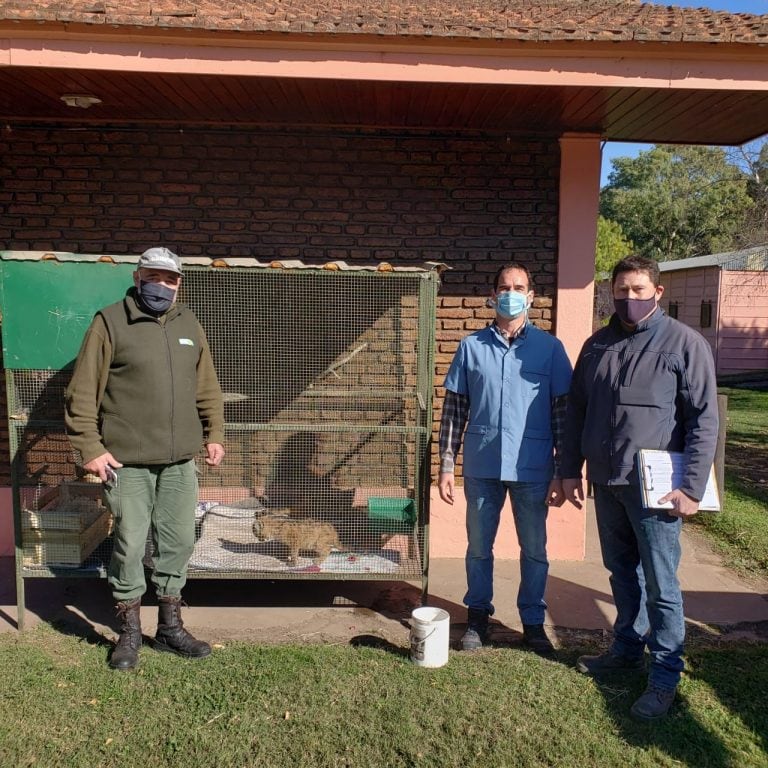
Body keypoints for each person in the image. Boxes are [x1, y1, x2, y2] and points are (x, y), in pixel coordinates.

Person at [561, 254, 718, 721]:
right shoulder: (596, 346)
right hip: (606, 483)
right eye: (622, 290)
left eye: (639, 290)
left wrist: (691, 488)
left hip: (658, 493)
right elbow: (577, 415)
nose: (630, 298)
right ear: (612, 292)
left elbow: (704, 421)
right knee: (620, 572)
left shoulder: (685, 345)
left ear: (657, 292)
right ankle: (627, 648)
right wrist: (571, 469)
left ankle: (665, 674)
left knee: (662, 584)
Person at [65, 246, 225, 671]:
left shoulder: (189, 323)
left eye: (169, 279)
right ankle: (129, 633)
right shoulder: (109, 322)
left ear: (179, 284)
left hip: (179, 461)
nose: (161, 285)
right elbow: (81, 392)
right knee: (131, 544)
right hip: (126, 463)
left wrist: (214, 433)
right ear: (137, 278)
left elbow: (205, 383)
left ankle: (170, 629)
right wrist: (90, 448)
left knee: (178, 543)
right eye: (153, 277)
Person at [438, 263, 573, 653]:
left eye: (519, 287)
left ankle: (532, 620)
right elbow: (454, 410)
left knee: (534, 549)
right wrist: (447, 464)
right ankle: (478, 618)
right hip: (483, 465)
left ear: (530, 296)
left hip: (533, 467)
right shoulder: (471, 347)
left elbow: (562, 413)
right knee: (479, 547)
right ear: (493, 296)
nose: (511, 293)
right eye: (504, 287)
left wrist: (563, 470)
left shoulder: (550, 349)